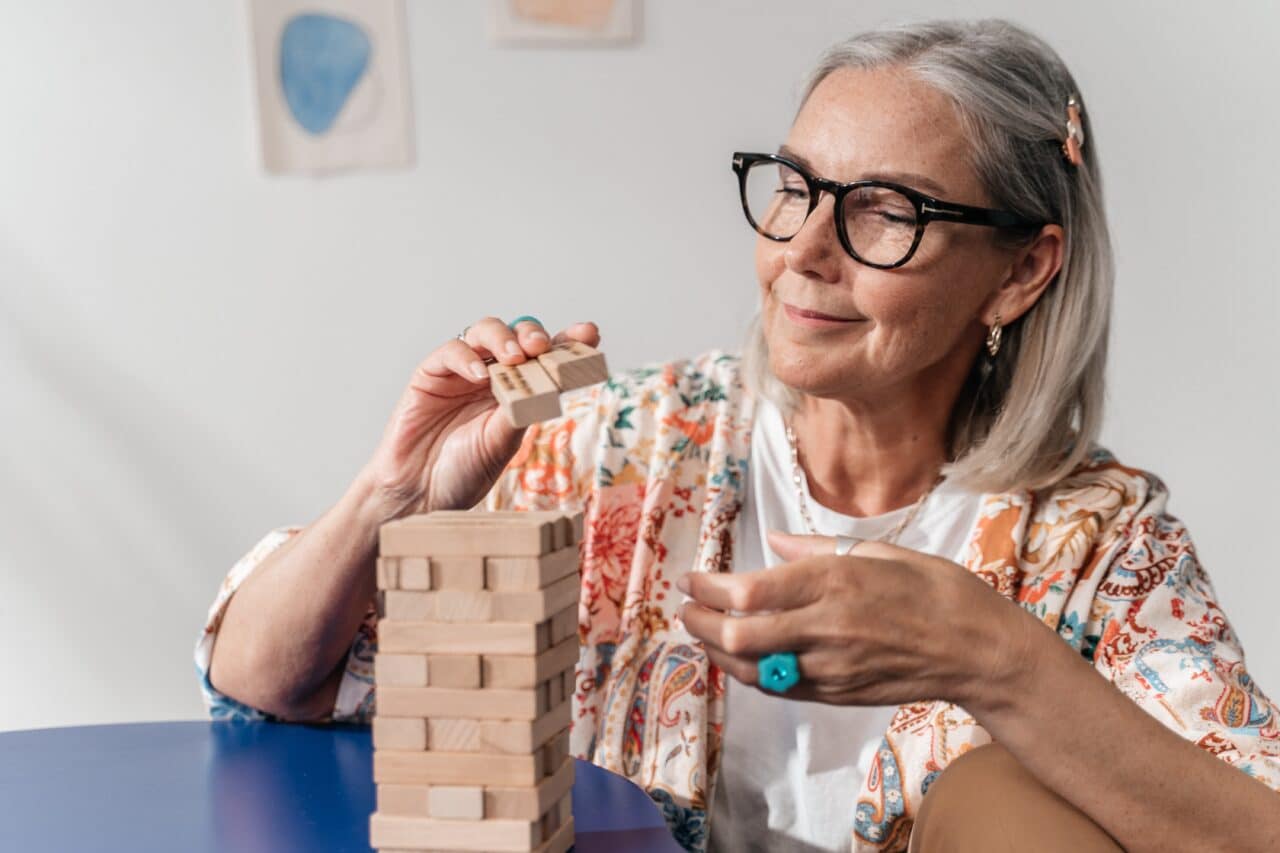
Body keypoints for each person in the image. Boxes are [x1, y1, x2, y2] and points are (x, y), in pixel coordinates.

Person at [195, 17, 1280, 853]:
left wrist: (994, 660)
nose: (803, 249)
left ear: (1020, 269)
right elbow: (266, 677)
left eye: (884, 211)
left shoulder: (1096, 537)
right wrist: (393, 494)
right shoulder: (625, 446)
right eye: (795, 188)